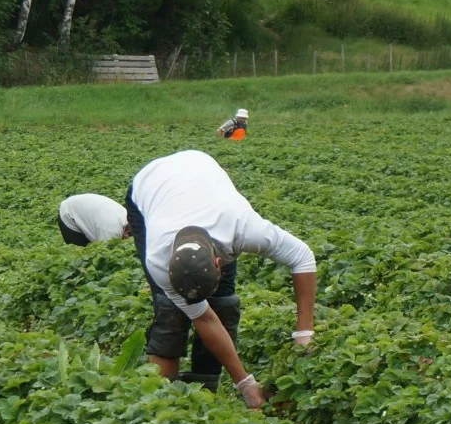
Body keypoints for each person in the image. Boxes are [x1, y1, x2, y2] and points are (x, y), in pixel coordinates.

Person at [126, 150, 316, 409]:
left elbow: (302, 257)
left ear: (219, 263)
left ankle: (206, 391)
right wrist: (245, 382)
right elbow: (203, 317)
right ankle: (162, 397)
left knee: (222, 304)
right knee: (170, 309)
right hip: (148, 188)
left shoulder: (244, 228)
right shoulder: (159, 259)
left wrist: (304, 331)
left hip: (201, 175)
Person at [57, 194, 128, 246]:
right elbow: (106, 251)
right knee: (80, 253)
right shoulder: (111, 229)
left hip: (85, 209)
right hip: (69, 213)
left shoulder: (125, 214)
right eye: (129, 234)